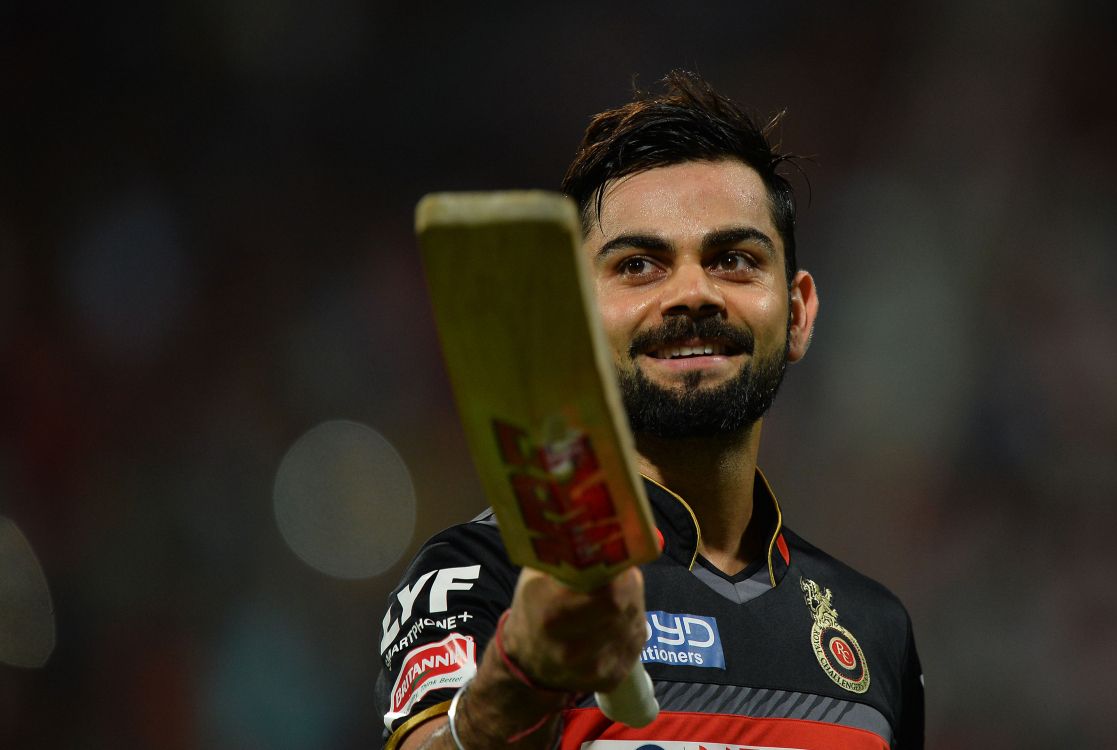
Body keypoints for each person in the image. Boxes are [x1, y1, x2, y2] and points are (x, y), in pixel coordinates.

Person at [375, 71, 924, 750]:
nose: (691, 292)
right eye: (638, 265)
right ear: (572, 319)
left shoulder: (875, 629)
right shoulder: (485, 570)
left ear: (798, 311)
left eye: (733, 259)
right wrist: (515, 686)